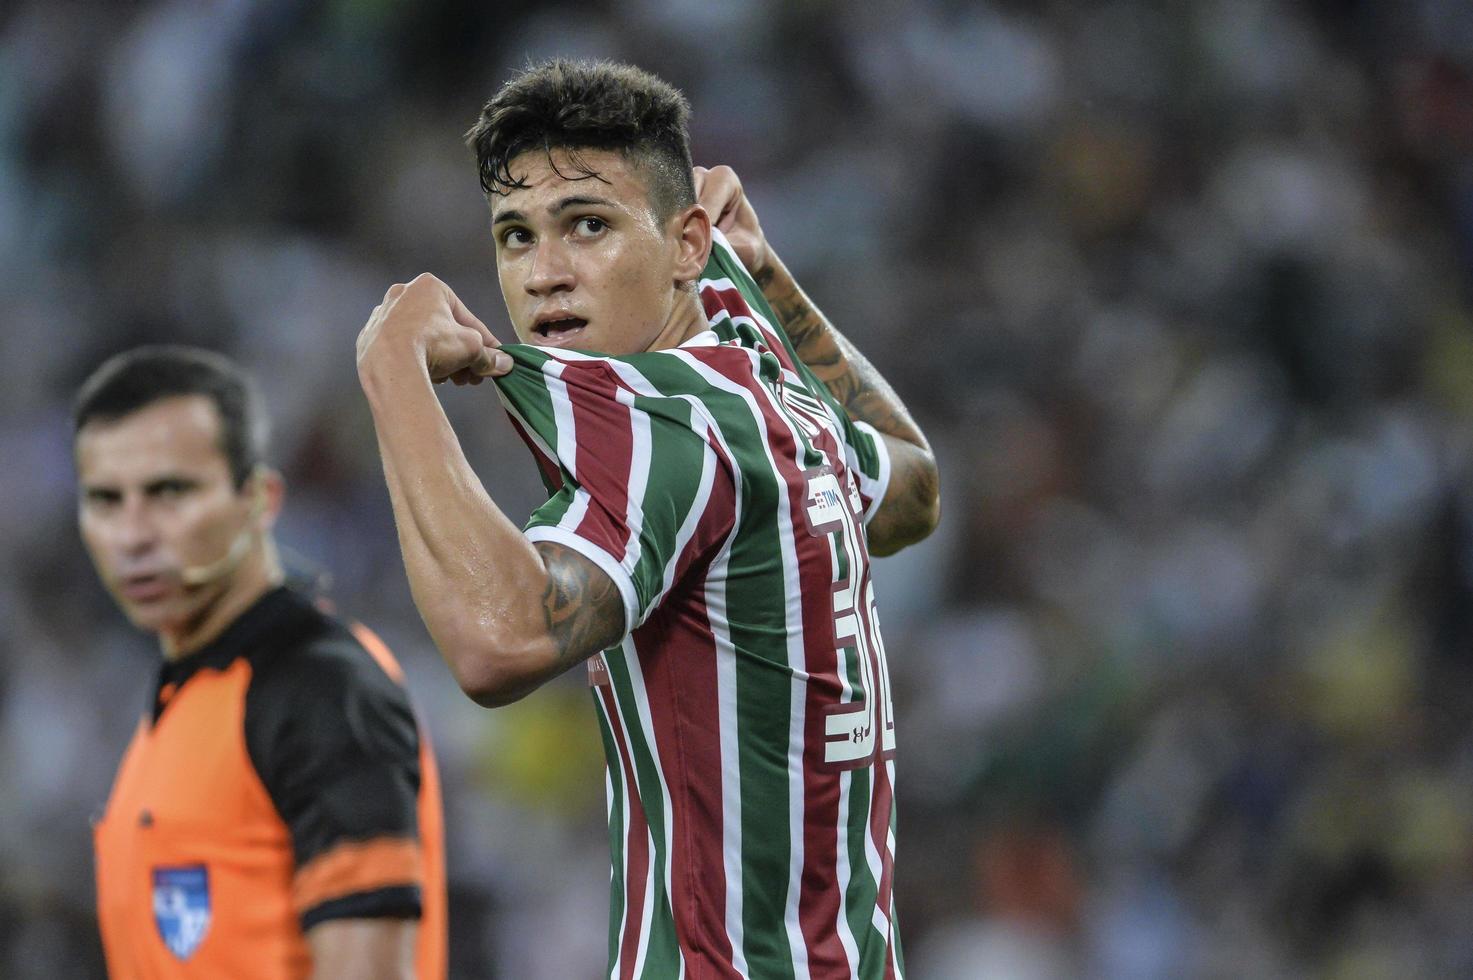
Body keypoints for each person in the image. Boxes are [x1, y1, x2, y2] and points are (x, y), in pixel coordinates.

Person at [356, 58, 939, 977]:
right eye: (515, 237)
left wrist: (392, 370)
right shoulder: (768, 387)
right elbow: (912, 487)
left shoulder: (669, 428)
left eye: (587, 226)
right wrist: (767, 273)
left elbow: (497, 645)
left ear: (684, 243)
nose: (545, 275)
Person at [76, 345, 447, 979]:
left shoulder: (321, 688)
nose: (133, 535)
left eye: (169, 491)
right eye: (107, 500)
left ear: (259, 498)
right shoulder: (189, 695)